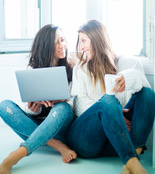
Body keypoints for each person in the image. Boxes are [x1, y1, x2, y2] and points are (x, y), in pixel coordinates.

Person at [67, 20, 155, 174]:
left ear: (97, 39)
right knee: (108, 102)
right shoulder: (80, 69)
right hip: (87, 142)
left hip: (118, 143)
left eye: (83, 41)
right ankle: (134, 164)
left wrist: (129, 78)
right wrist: (113, 113)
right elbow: (80, 107)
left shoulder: (130, 63)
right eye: (79, 42)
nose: (81, 47)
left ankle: (131, 160)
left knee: (148, 94)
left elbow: (146, 103)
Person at [0, 24, 77, 174]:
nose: (62, 45)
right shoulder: (33, 68)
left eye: (63, 40)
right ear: (47, 45)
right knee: (4, 106)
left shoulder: (72, 69)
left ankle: (17, 155)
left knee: (63, 108)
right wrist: (33, 109)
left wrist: (61, 101)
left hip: (60, 125)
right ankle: (57, 145)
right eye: (57, 42)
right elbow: (26, 107)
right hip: (36, 128)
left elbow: (76, 106)